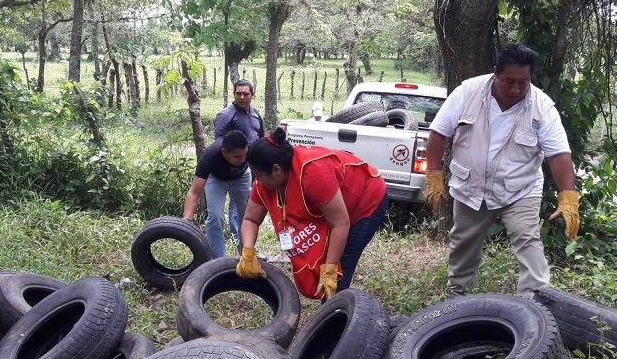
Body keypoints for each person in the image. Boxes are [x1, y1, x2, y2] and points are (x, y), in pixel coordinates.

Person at [423, 43, 580, 296]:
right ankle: (457, 296)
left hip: (520, 190)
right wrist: (433, 174)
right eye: (509, 81)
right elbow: (439, 133)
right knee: (463, 244)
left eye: (523, 82)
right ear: (496, 74)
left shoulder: (542, 107)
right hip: (471, 188)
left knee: (527, 240)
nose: (516, 89)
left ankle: (535, 301)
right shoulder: (467, 93)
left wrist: (568, 196)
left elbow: (559, 154)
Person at [235, 128, 388, 300]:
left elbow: (340, 223)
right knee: (321, 264)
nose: (256, 180)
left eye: (258, 175)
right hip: (337, 211)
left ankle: (333, 312)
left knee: (338, 269)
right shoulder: (265, 182)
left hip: (366, 200)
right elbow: (251, 219)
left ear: (276, 170)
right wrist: (248, 251)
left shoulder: (312, 172)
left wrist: (330, 269)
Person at [183, 130, 252, 257]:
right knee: (215, 217)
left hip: (242, 177)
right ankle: (217, 260)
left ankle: (247, 255)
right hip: (216, 179)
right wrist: (186, 222)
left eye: (245, 155)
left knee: (246, 215)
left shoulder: (250, 148)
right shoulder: (210, 156)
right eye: (237, 156)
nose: (243, 160)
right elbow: (194, 193)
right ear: (224, 152)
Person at [214, 79, 264, 144]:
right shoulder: (225, 115)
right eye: (238, 94)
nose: (242, 97)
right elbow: (219, 143)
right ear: (234, 95)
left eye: (246, 94)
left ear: (252, 95)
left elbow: (261, 139)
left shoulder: (256, 114)